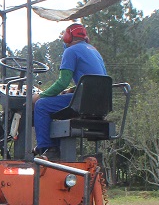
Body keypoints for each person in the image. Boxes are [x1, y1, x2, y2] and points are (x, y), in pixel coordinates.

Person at [32, 22, 107, 158]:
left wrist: (41, 96)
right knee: (55, 105)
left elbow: (62, 82)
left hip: (84, 102)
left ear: (68, 37)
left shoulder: (70, 51)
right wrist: (73, 89)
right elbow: (97, 80)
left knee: (42, 106)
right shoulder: (94, 50)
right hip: (101, 103)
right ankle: (53, 146)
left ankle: (48, 148)